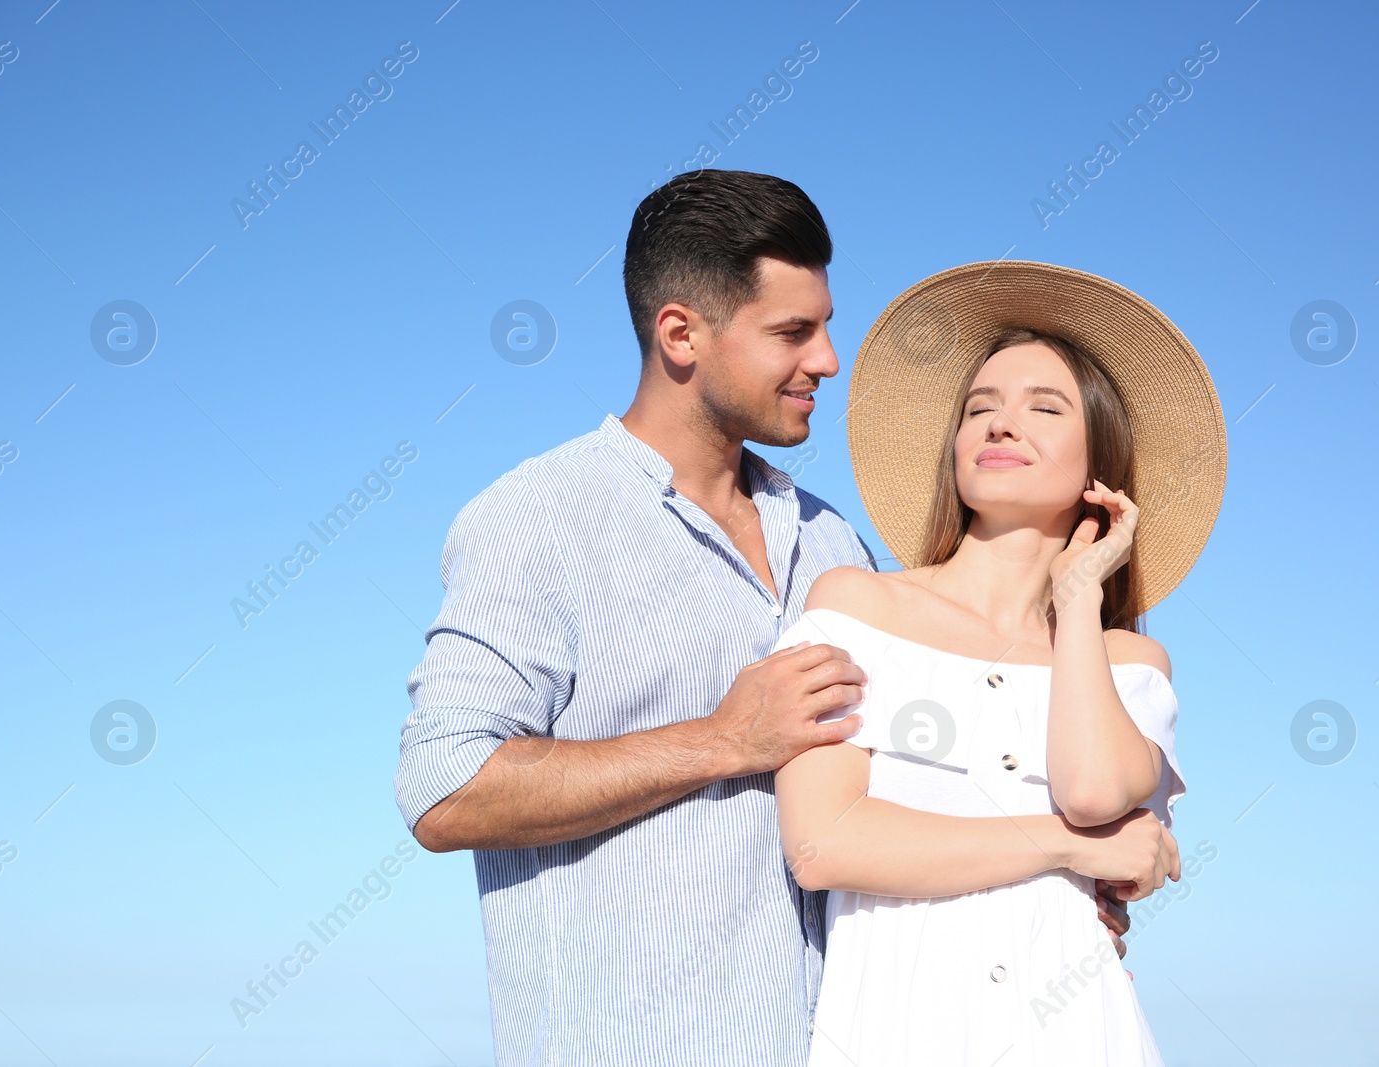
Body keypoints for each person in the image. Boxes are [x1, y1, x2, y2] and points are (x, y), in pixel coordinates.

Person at [393, 171, 1130, 1065]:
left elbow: (900, 801)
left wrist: (1050, 885)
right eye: (793, 332)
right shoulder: (538, 517)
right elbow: (444, 785)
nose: (827, 358)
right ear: (681, 335)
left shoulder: (834, 544)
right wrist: (722, 738)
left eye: (824, 326)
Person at [772, 261, 1227, 1065]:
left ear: (1101, 462)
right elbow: (824, 843)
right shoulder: (859, 606)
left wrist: (1080, 595)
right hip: (898, 1034)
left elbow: (1092, 791)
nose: (1000, 423)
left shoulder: (1129, 660)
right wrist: (1067, 850)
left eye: (1043, 407)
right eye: (979, 407)